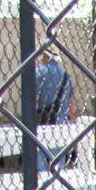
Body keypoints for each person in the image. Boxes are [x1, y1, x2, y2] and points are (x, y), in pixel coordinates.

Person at [34, 34, 74, 173]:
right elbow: (71, 103)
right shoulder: (65, 75)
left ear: (46, 56)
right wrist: (71, 119)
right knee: (58, 157)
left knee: (39, 153)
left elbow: (33, 99)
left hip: (43, 121)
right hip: (60, 122)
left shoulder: (39, 73)